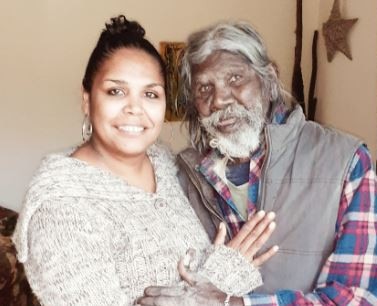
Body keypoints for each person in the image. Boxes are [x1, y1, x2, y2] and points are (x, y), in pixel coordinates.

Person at [12, 16, 279, 306]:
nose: (134, 109)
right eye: (116, 91)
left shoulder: (165, 165)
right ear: (87, 99)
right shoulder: (60, 208)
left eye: (150, 94)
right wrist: (223, 279)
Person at [138, 21, 377, 305]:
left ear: (268, 81)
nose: (218, 100)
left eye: (234, 79)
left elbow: (358, 298)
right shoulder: (181, 175)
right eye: (204, 87)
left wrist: (236, 304)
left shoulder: (345, 161)